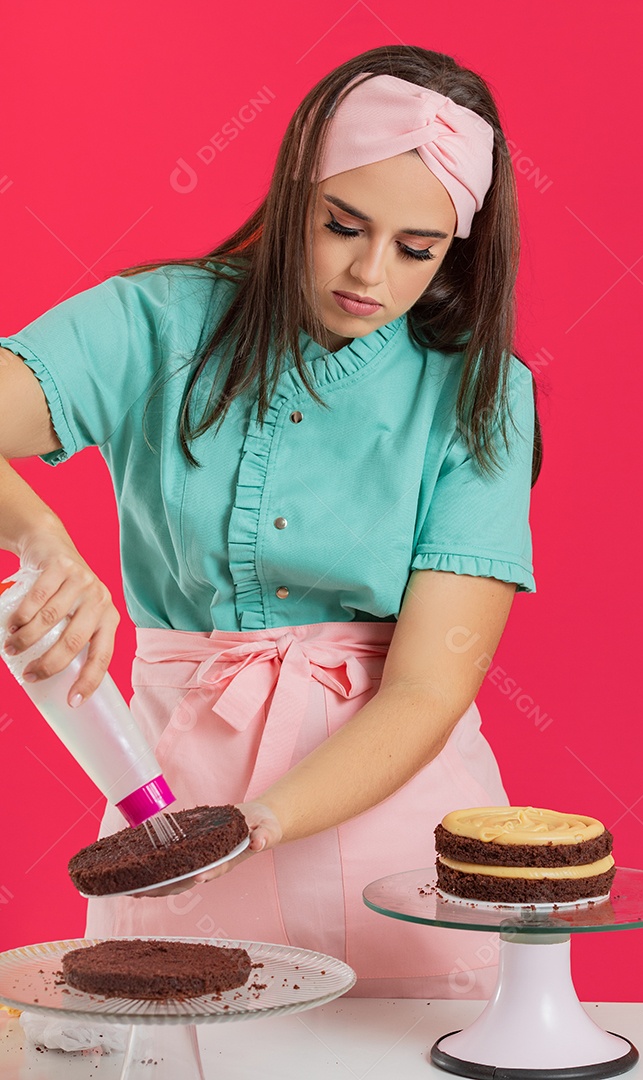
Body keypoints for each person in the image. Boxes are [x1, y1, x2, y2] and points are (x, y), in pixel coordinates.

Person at [0, 45, 543, 999]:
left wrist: (252, 827)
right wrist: (42, 543)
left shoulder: (483, 396)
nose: (370, 272)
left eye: (418, 249)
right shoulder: (154, 322)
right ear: (297, 190)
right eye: (343, 224)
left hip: (397, 830)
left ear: (458, 248)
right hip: (171, 815)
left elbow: (424, 690)